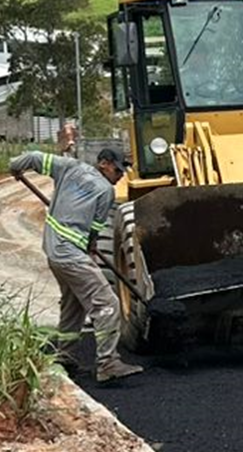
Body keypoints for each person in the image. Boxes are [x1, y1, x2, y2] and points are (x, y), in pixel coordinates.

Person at [9, 148, 143, 383]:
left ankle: (65, 357)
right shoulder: (106, 192)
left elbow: (33, 157)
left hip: (54, 253)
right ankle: (108, 363)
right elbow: (93, 234)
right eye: (118, 170)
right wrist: (89, 252)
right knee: (108, 304)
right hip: (70, 256)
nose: (120, 175)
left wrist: (15, 166)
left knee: (73, 306)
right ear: (104, 163)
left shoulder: (69, 167)